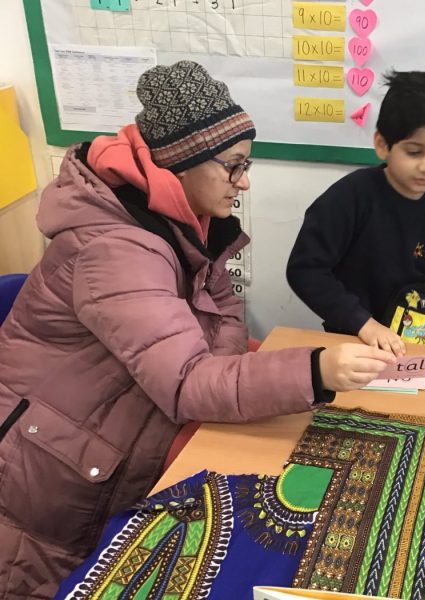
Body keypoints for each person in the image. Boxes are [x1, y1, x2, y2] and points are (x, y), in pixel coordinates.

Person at [0, 60, 394, 599]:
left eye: (245, 164)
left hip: (100, 442)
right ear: (181, 164)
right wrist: (314, 371)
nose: (244, 181)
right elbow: (188, 383)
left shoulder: (184, 224)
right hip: (49, 481)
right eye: (233, 166)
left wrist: (223, 371)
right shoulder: (117, 250)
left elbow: (223, 319)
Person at [286, 70, 425, 353]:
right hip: (359, 336)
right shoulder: (351, 196)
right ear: (382, 145)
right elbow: (305, 270)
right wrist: (363, 324)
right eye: (414, 152)